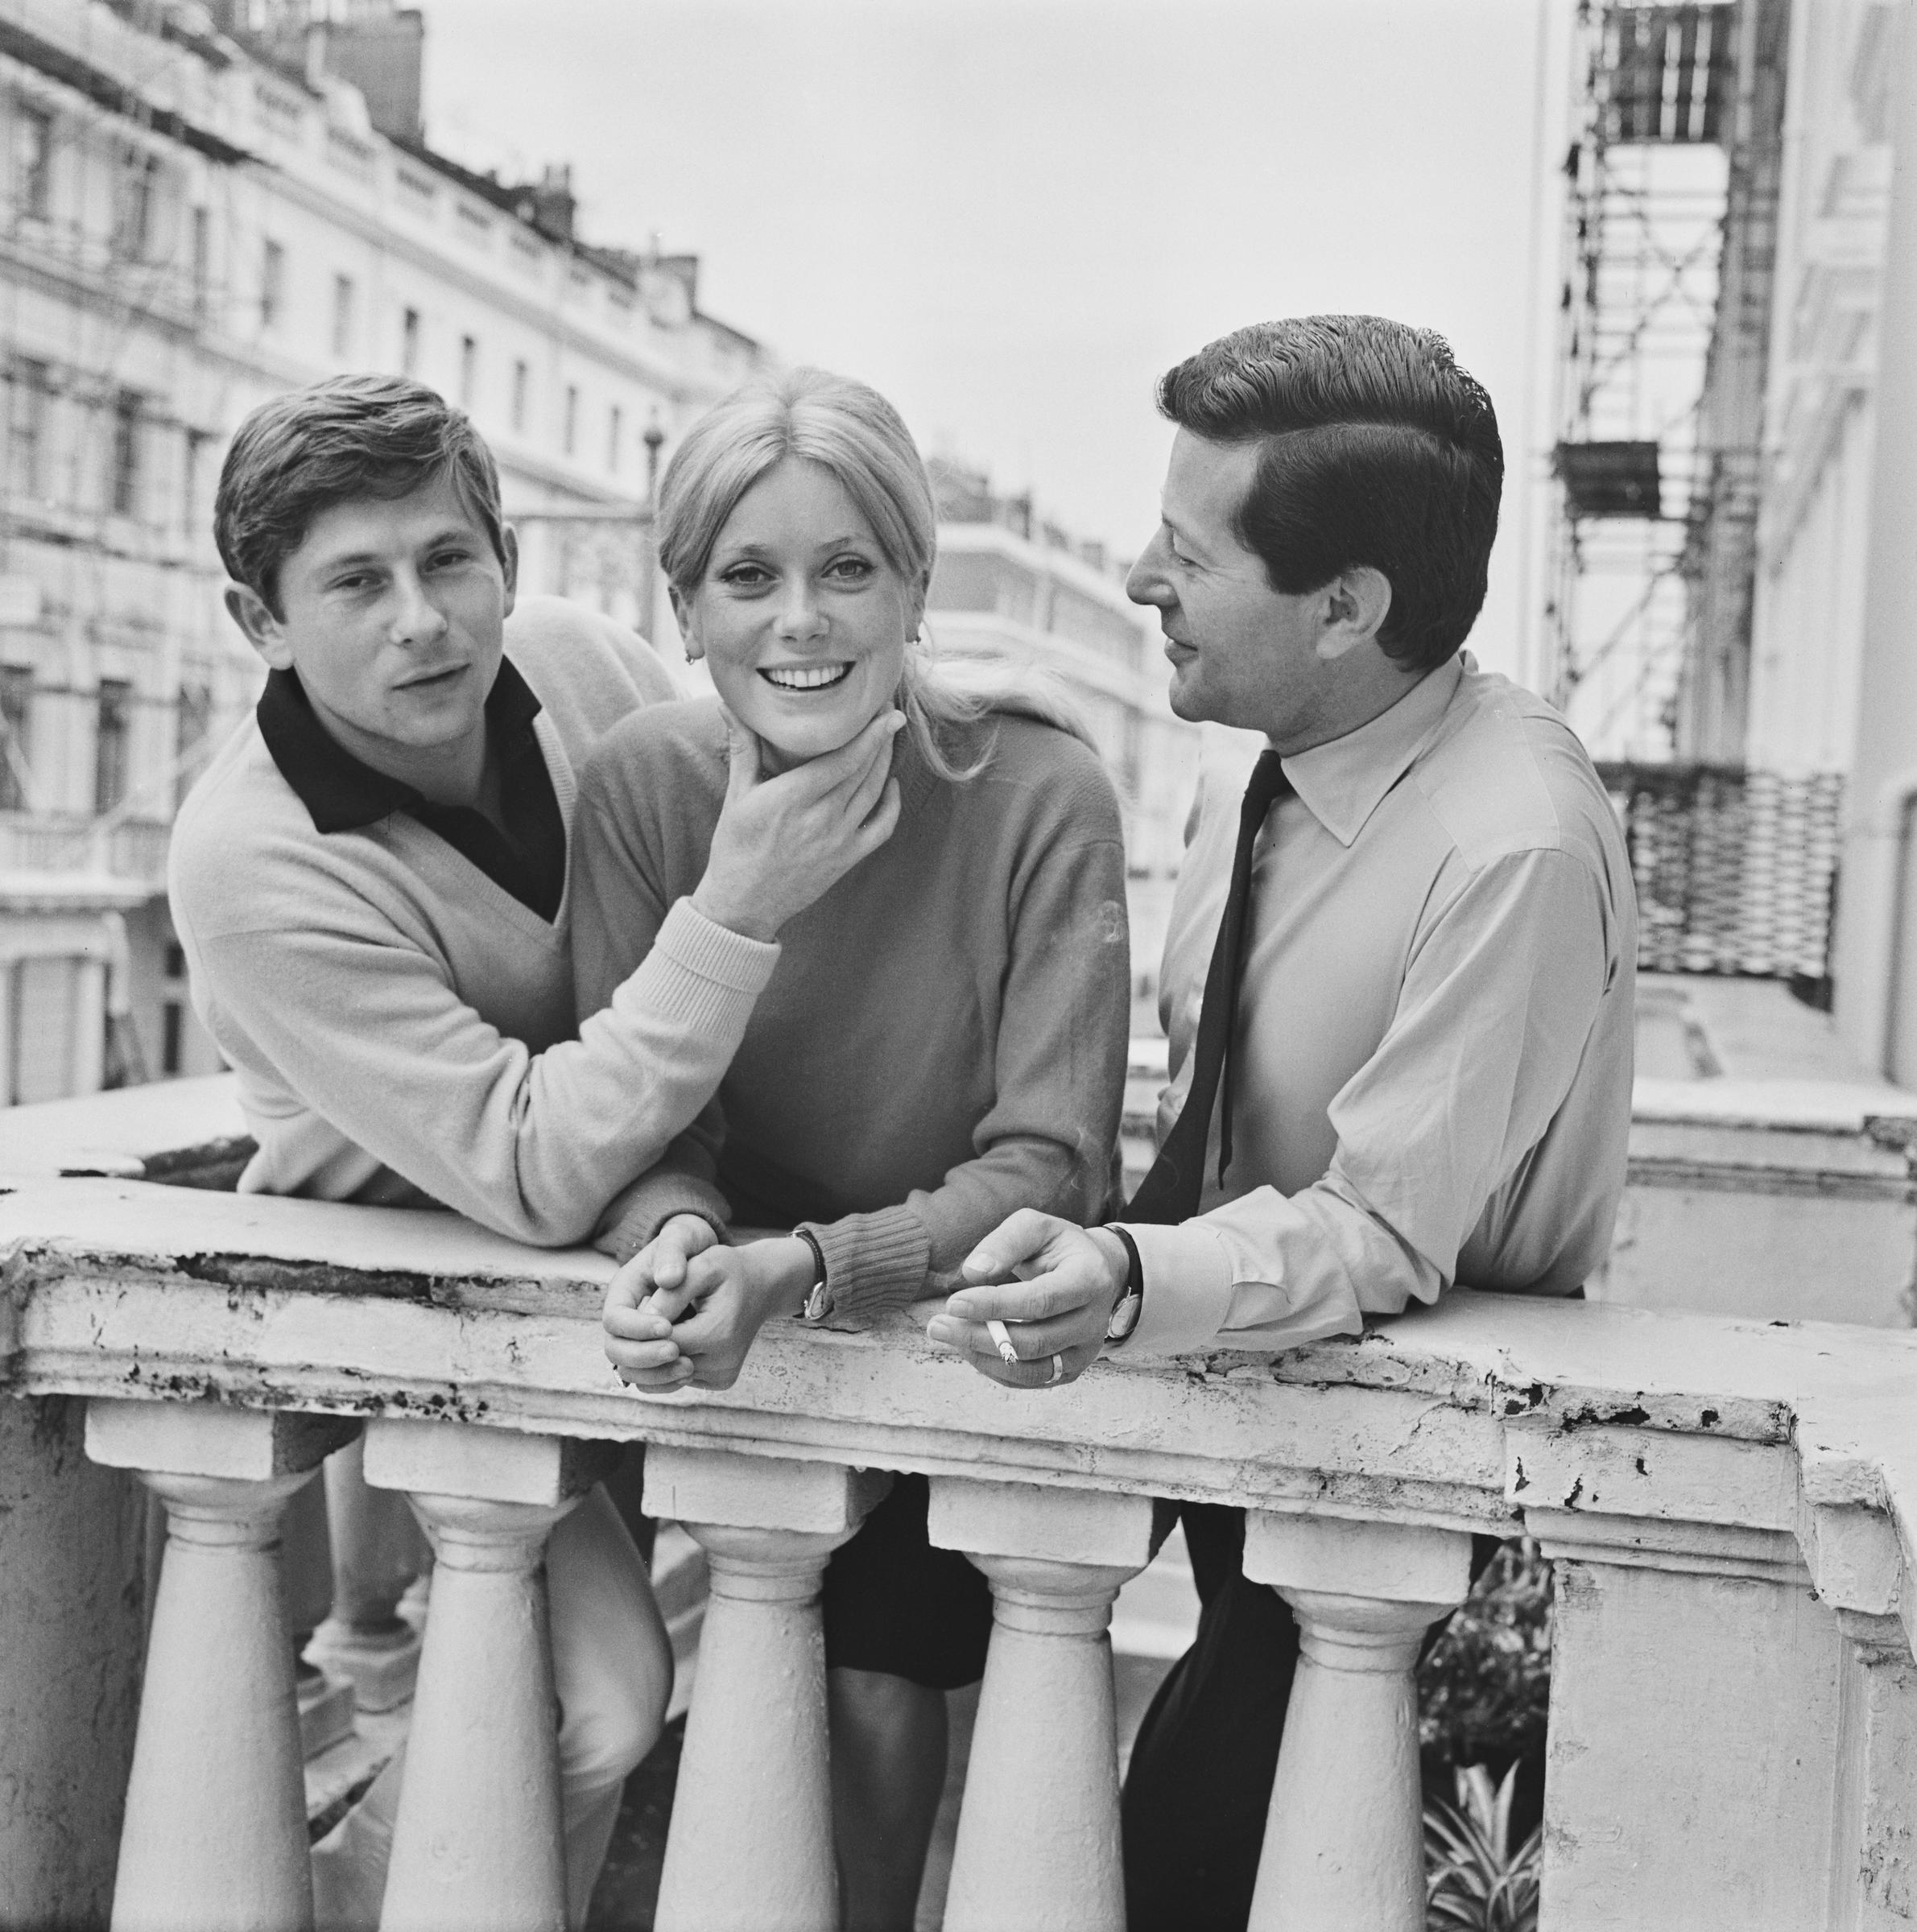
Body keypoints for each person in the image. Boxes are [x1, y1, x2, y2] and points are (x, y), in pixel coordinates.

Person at [928, 316, 1638, 1930]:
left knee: (1184, 1864)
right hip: (1224, 1422)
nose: (1131, 579)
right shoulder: (1261, 746)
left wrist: (1125, 1277)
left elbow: (1385, 1228)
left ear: (1344, 610)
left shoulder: (1511, 846)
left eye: (1185, 554)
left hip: (1382, 1506)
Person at [170, 372, 904, 1928]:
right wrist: (736, 912)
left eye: (450, 559)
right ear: (262, 619)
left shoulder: (580, 667)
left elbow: (782, 783)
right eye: (355, 583)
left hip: (644, 1259)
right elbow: (521, 1161)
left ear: (505, 553)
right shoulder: (247, 865)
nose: (421, 621)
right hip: (441, 1314)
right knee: (604, 1704)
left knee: (632, 1696)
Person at [575, 366, 1133, 1928]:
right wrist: (675, 1231)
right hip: (725, 1345)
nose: (801, 621)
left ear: (912, 588)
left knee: (882, 1723)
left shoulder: (1039, 792)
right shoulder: (638, 792)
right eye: (749, 576)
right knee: (665, 1737)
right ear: (683, 606)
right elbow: (638, 1116)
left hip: (933, 1326)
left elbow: (1054, 1165)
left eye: (847, 570)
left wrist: (807, 1268)